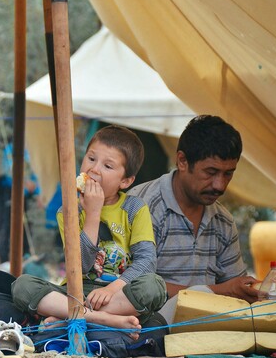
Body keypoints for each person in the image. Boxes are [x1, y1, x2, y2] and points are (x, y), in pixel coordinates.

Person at [12, 125, 167, 334]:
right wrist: (93, 215)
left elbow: (147, 261)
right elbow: (81, 267)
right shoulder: (67, 211)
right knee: (22, 285)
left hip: (119, 295)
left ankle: (72, 317)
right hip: (75, 292)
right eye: (91, 159)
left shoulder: (134, 209)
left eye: (108, 166)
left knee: (154, 286)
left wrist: (113, 288)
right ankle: (101, 319)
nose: (94, 169)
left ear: (126, 181)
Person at [128, 115, 259, 323]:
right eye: (211, 172)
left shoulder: (222, 221)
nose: (220, 185)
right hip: (145, 331)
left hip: (206, 331)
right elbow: (130, 287)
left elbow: (236, 290)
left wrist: (256, 292)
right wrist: (216, 292)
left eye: (228, 174)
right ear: (182, 161)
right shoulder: (142, 206)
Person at [0, 142, 43, 264]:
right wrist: (25, 181)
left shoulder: (33, 151)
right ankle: (4, 259)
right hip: (10, 191)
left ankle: (25, 256)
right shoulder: (10, 149)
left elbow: (35, 174)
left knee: (26, 225)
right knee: (8, 224)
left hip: (26, 195)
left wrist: (37, 191)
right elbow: (7, 171)